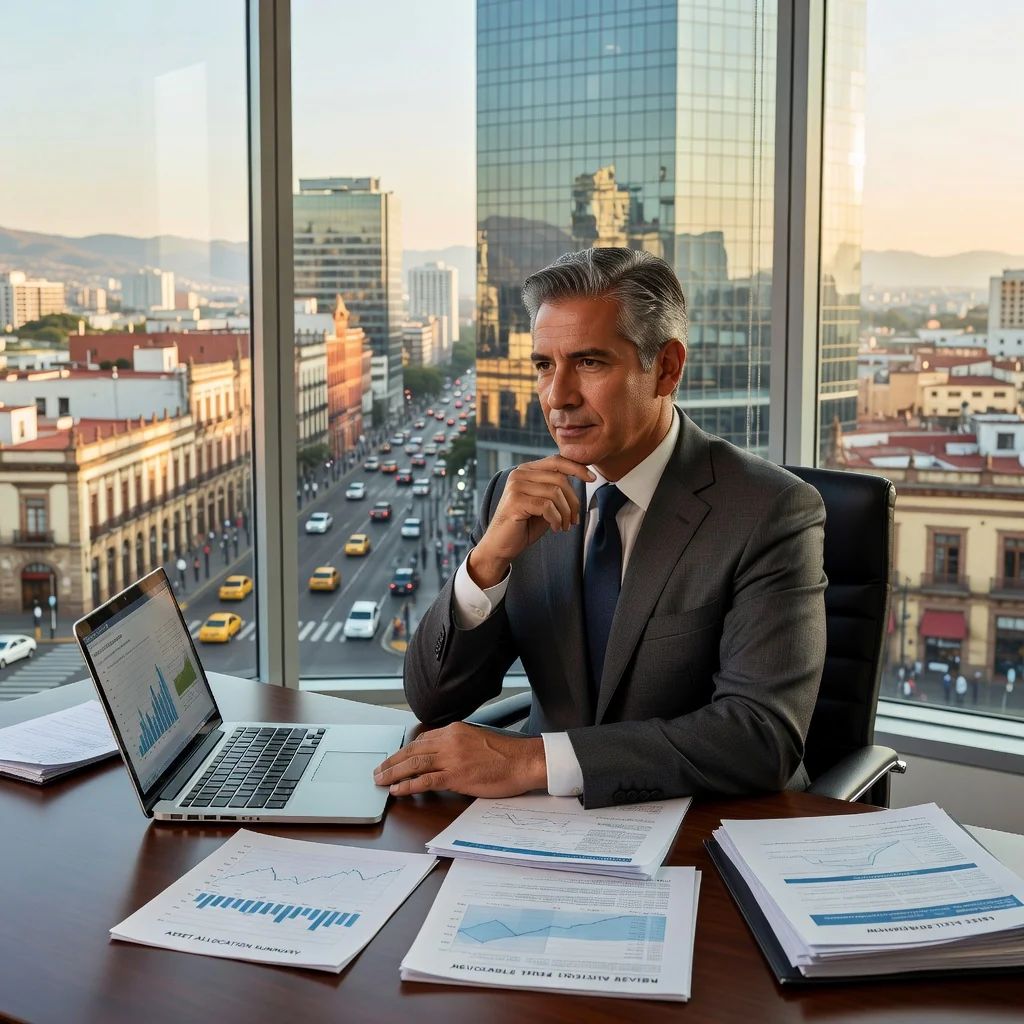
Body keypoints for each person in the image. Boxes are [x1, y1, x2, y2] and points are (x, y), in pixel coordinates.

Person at [375, 248, 827, 809]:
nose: (558, 396)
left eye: (589, 363)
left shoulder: (770, 511)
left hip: (706, 832)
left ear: (666, 368)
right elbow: (433, 699)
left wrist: (531, 759)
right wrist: (487, 562)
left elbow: (762, 737)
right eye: (544, 365)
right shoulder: (516, 499)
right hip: (539, 833)